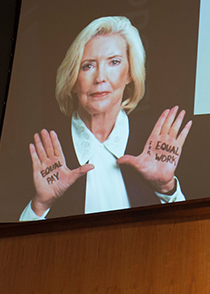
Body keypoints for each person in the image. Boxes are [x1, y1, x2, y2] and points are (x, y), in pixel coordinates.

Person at [20, 16, 193, 220]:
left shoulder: (161, 146)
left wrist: (167, 188)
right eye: (87, 66)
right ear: (73, 79)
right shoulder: (38, 152)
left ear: (129, 73)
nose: (100, 77)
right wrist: (41, 204)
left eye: (114, 62)